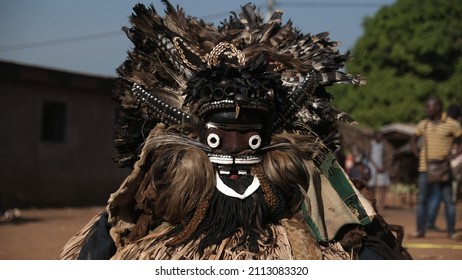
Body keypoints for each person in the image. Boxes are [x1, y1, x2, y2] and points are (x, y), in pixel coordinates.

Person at [58, 1, 410, 260]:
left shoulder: (295, 172)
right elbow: (124, 213)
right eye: (219, 138)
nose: (236, 151)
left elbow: (356, 221)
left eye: (251, 139)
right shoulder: (172, 176)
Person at [410, 97, 462, 239]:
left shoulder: (452, 124)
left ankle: (451, 232)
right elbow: (413, 139)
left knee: (449, 201)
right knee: (422, 201)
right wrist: (416, 153)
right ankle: (420, 231)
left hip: (444, 168)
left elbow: (460, 141)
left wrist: (453, 156)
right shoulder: (423, 124)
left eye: (429, 107)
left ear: (438, 107)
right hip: (424, 168)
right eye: (426, 106)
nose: (427, 109)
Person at [367, 131, 391, 212]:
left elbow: (383, 155)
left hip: (381, 167)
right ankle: (372, 202)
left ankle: (382, 203)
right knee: (372, 185)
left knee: (382, 185)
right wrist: (376, 166)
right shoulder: (372, 143)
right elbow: (369, 156)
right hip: (373, 166)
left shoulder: (382, 144)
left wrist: (383, 165)